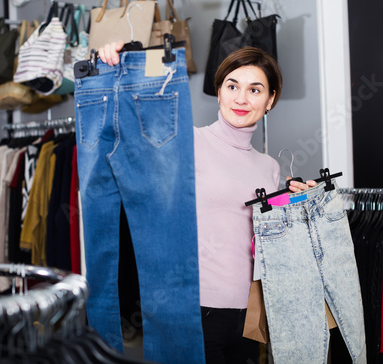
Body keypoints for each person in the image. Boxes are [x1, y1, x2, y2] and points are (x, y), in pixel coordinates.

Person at [98, 42, 317, 363]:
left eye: (255, 90)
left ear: (270, 100)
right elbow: (122, 132)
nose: (241, 98)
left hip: (250, 313)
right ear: (219, 92)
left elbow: (259, 238)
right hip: (192, 310)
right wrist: (115, 66)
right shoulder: (185, 142)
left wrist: (299, 203)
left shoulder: (269, 167)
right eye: (232, 86)